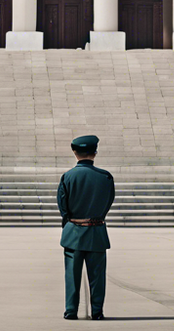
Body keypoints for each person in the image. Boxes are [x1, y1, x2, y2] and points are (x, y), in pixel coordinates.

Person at [57, 135, 114, 321]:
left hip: (73, 231)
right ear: (95, 152)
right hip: (97, 231)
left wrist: (69, 224)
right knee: (97, 277)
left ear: (75, 153)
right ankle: (97, 312)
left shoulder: (68, 176)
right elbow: (108, 202)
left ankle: (71, 311)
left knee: (72, 276)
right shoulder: (105, 177)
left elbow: (63, 206)